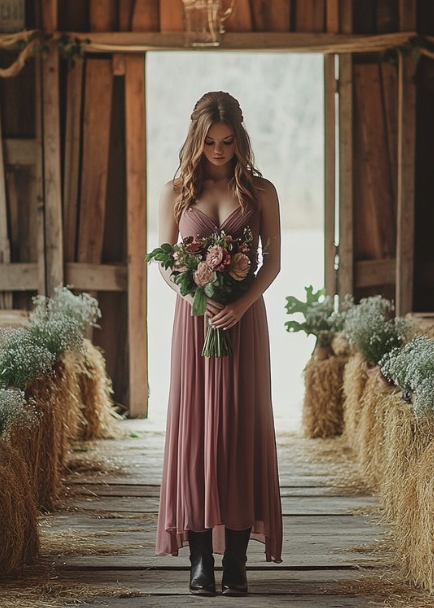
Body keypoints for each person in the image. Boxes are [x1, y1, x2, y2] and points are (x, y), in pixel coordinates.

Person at [155, 91, 283, 597]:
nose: (219, 150)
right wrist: (192, 291)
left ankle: (237, 561)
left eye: (228, 141)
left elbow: (271, 262)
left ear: (240, 139)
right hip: (195, 322)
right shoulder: (175, 192)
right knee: (195, 431)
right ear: (196, 138)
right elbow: (164, 259)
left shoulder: (261, 191)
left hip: (243, 321)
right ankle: (200, 559)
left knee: (239, 428)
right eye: (210, 141)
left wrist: (243, 302)